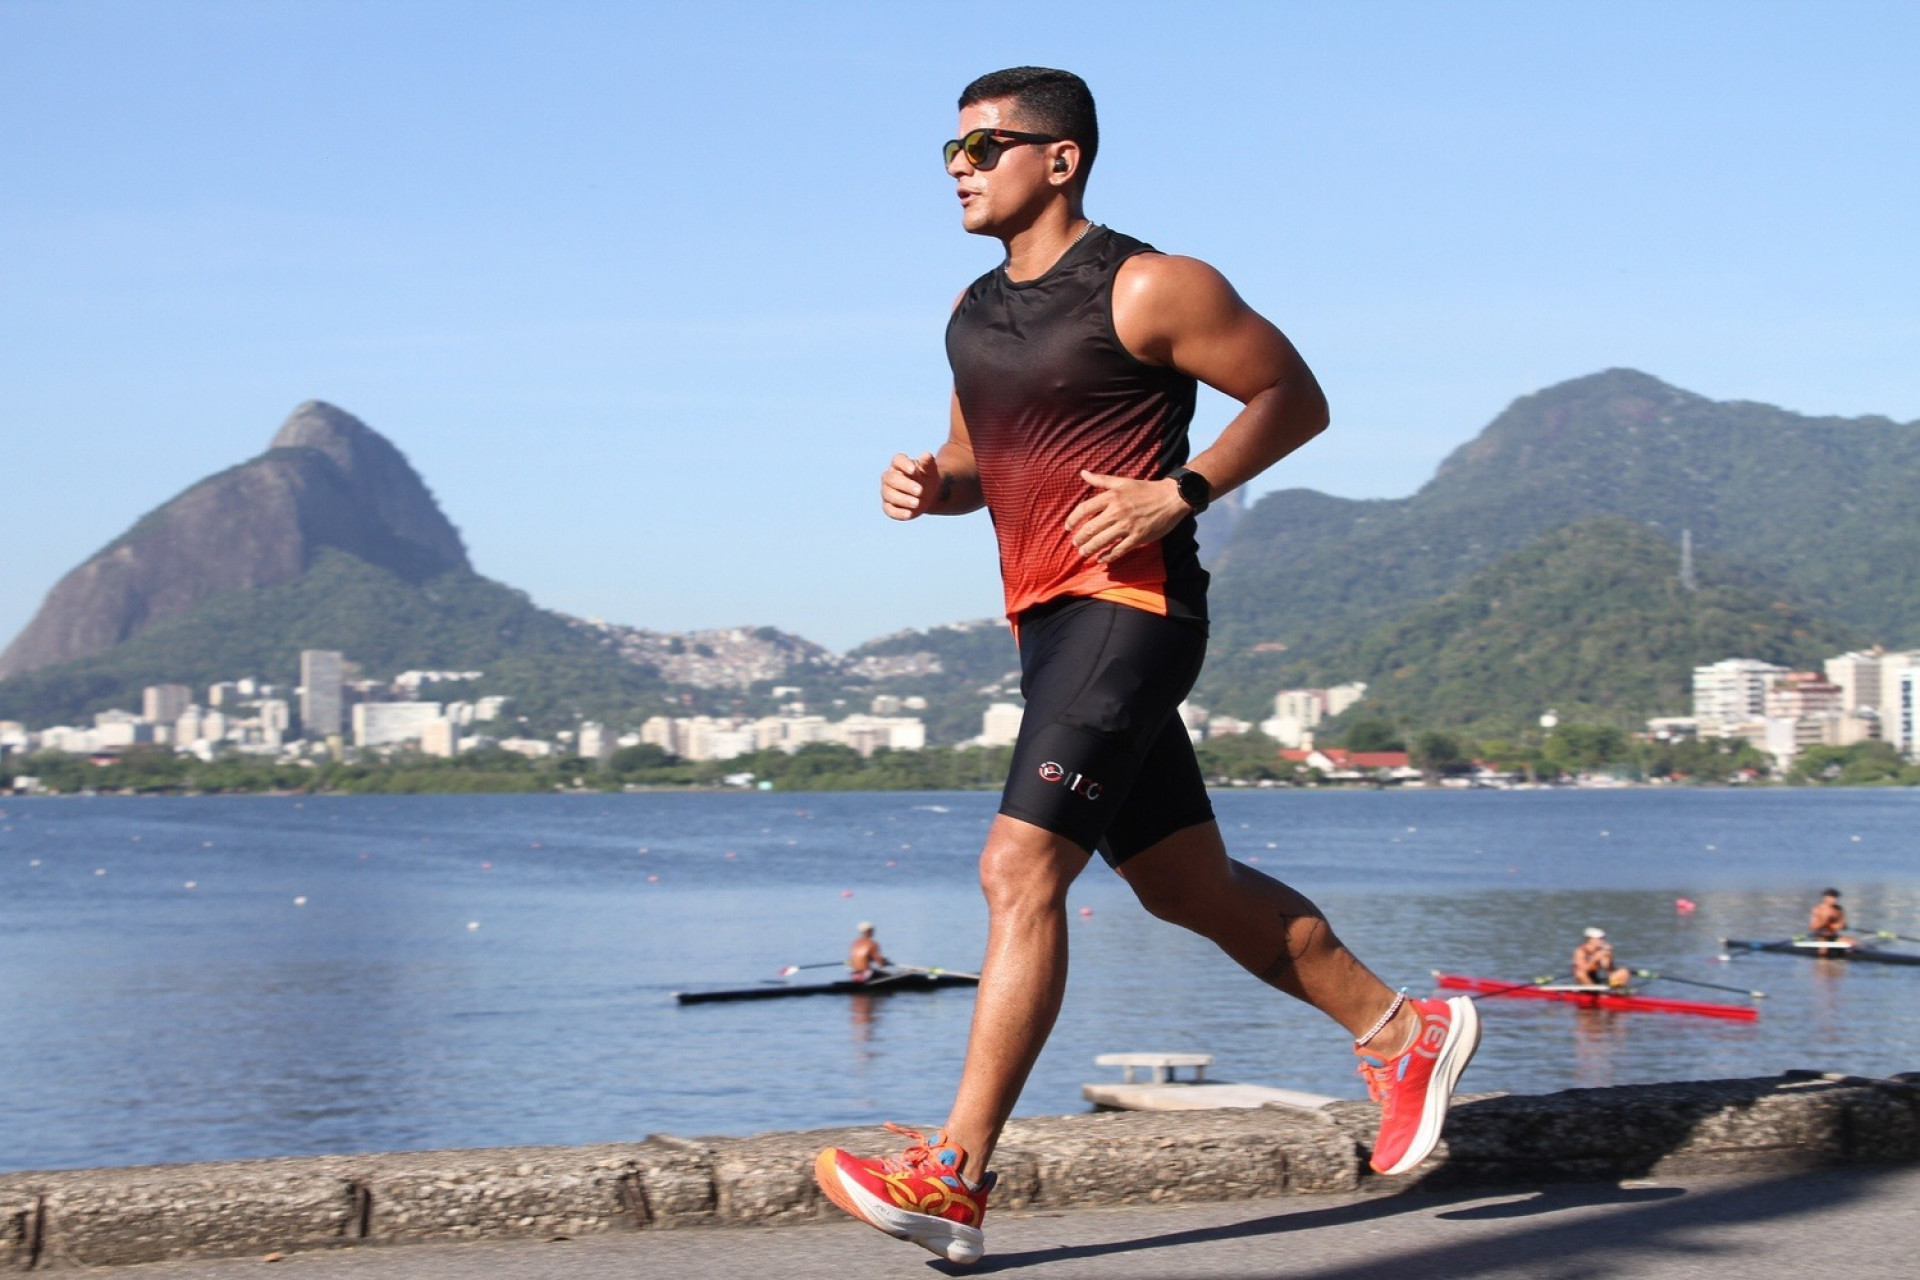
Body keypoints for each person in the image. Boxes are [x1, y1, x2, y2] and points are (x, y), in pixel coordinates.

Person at [812, 67, 1481, 1266]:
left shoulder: (1151, 284)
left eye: (983, 144)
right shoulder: (970, 313)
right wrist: (935, 485)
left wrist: (1184, 490)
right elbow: (980, 462)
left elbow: (1294, 394)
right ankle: (1398, 1029)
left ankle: (955, 1172)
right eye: (949, 149)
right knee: (1185, 885)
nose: (960, 166)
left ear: (1059, 159)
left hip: (1136, 607)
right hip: (1049, 629)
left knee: (1019, 869)